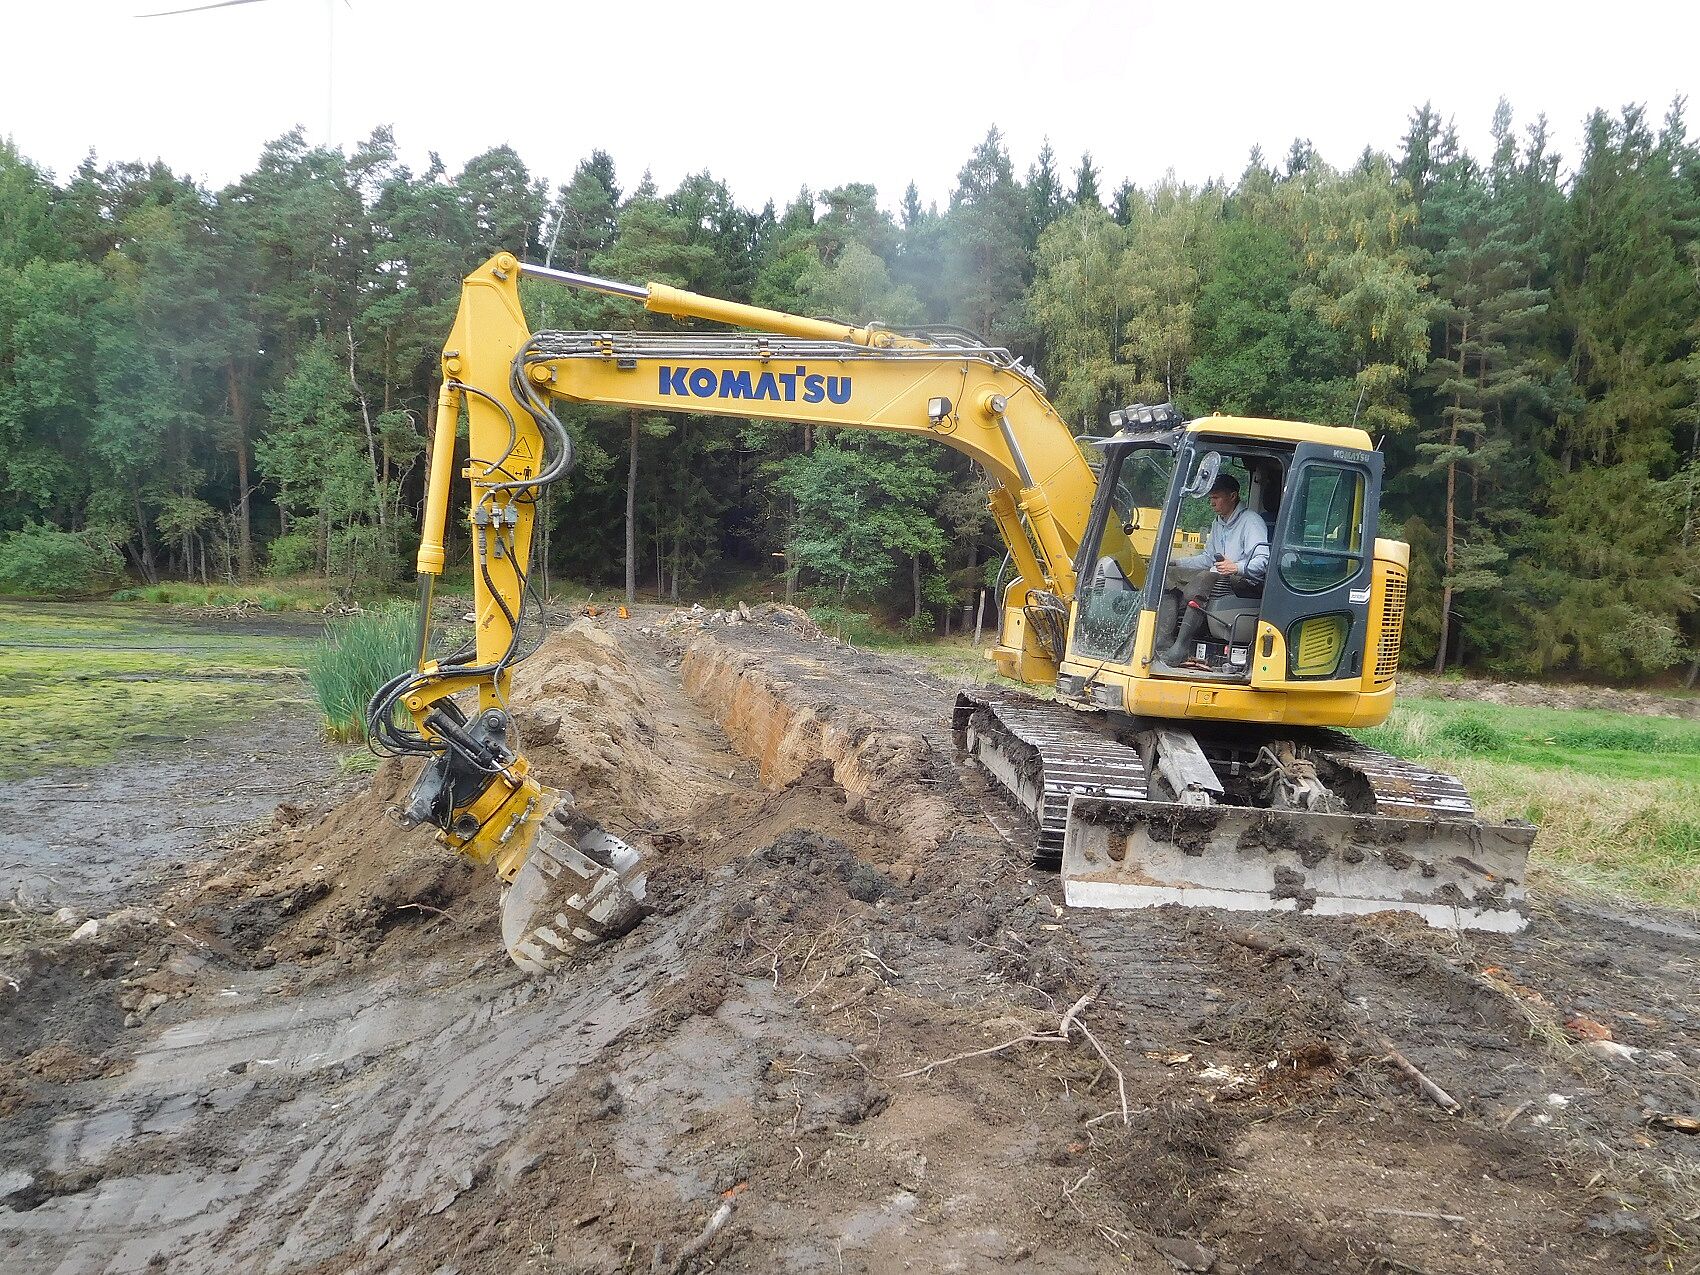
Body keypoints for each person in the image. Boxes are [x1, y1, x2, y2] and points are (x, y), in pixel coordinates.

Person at [1160, 473, 1269, 666]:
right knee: (1169, 575)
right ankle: (1164, 640)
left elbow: (1263, 562)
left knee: (1205, 579)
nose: (1212, 503)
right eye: (1211, 498)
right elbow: (1208, 559)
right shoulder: (1218, 523)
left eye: (1216, 498)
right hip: (1219, 576)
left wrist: (1236, 566)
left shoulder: (1251, 521)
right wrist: (1176, 563)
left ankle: (1181, 646)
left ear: (1233, 496)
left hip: (1244, 581)